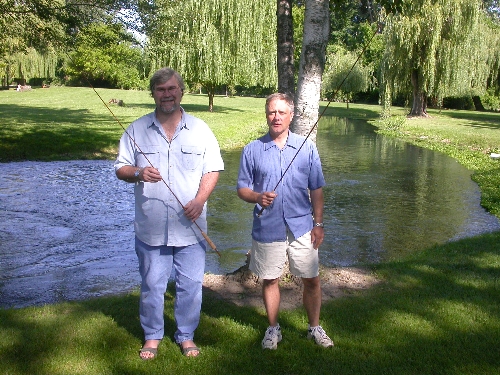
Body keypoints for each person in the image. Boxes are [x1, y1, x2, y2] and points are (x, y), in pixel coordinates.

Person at [115, 67, 224, 360]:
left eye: (172, 89)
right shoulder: (136, 129)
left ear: (181, 91)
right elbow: (120, 168)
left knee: (190, 287)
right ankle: (152, 336)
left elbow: (213, 168)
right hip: (150, 227)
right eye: (161, 90)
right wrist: (138, 172)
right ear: (153, 93)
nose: (167, 95)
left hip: (191, 227)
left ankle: (186, 335)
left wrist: (200, 200)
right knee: (152, 285)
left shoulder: (201, 129)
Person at [236, 92, 333, 350]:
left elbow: (317, 188)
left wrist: (319, 223)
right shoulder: (252, 150)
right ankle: (273, 328)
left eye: (281, 112)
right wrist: (258, 196)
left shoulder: (306, 147)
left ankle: (314, 328)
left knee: (311, 278)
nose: (276, 117)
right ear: (266, 115)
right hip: (267, 227)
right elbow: (242, 189)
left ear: (291, 116)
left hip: (302, 227)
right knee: (270, 279)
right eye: (271, 112)